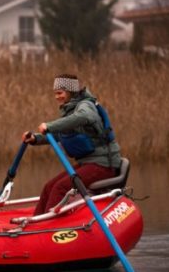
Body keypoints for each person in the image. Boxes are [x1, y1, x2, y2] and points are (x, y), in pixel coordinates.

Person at [22, 74, 122, 216]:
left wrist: (50, 126)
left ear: (70, 92)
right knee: (48, 187)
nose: (57, 97)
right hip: (89, 163)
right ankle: (37, 223)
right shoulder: (71, 110)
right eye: (55, 93)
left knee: (60, 187)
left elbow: (85, 116)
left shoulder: (85, 105)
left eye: (60, 93)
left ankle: (51, 224)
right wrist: (35, 139)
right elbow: (60, 135)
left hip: (103, 164)